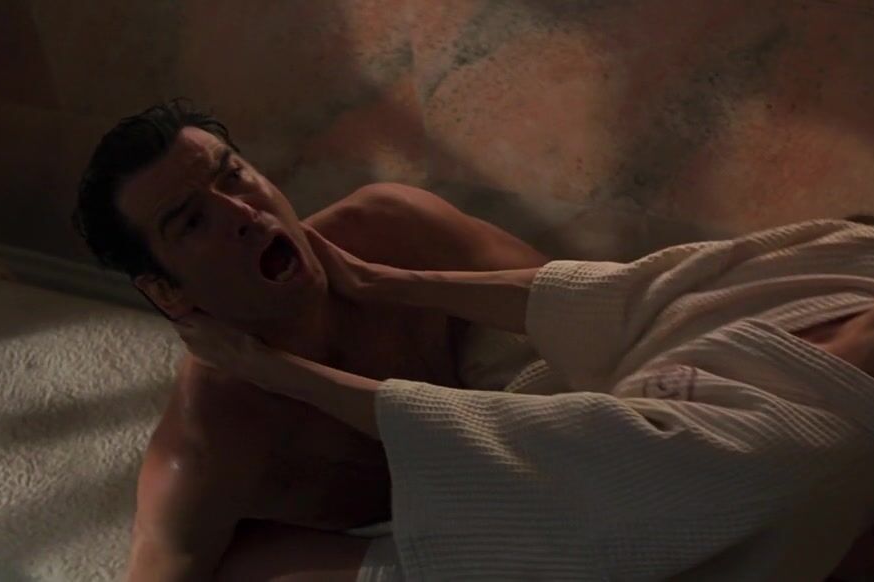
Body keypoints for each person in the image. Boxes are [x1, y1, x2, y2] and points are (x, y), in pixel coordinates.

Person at [175, 208, 874, 579]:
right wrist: (378, 280)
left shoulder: (795, 449)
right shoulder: (868, 256)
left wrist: (266, 366)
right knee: (390, 215)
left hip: (560, 545)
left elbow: (526, 451)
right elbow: (630, 296)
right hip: (572, 444)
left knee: (236, 556)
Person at [72, 100, 551, 581]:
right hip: (390, 541)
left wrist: (385, 282)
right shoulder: (208, 442)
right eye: (193, 221)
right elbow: (160, 565)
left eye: (233, 177)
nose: (242, 212)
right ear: (166, 292)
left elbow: (585, 304)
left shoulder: (392, 228)